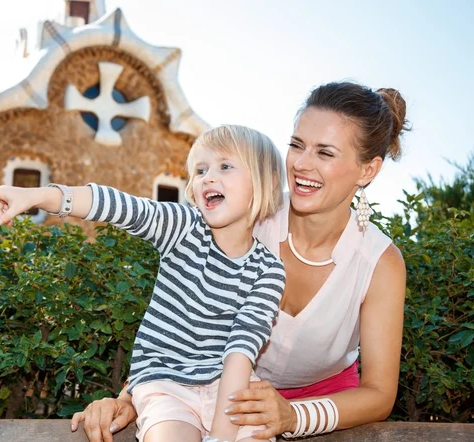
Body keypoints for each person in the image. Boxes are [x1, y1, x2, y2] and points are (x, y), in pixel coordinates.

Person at [70, 81, 409, 441]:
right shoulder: (245, 212)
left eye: (325, 153)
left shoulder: (380, 263)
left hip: (324, 407)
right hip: (212, 391)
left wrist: (293, 416)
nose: (301, 164)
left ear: (367, 170)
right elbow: (183, 320)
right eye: (296, 145)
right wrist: (131, 397)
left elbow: (379, 394)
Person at [0, 125, 287, 442]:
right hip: (166, 384)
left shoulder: (268, 270)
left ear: (266, 183)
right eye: (200, 169)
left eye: (225, 166)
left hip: (229, 387)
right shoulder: (182, 227)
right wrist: (37, 195)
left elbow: (240, 351)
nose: (207, 177)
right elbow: (118, 206)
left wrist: (221, 436)